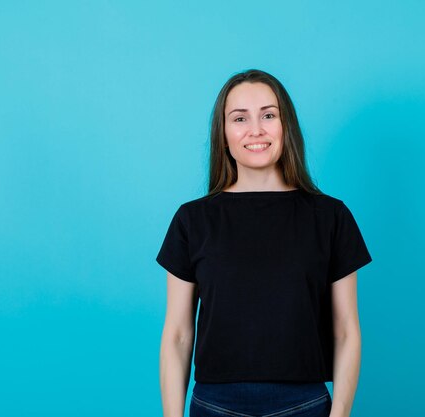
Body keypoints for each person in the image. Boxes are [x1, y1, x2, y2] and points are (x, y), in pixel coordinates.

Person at [156, 69, 373, 417]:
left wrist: (341, 414)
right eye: (240, 118)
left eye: (269, 115)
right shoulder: (192, 220)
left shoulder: (330, 217)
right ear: (223, 134)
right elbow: (179, 334)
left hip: (305, 405)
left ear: (286, 126)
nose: (256, 130)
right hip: (214, 405)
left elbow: (346, 330)